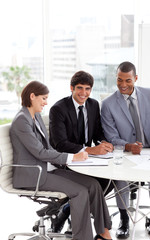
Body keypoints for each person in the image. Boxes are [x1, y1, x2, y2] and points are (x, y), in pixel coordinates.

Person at [10, 81, 112, 240]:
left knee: (93, 185)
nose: (46, 102)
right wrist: (72, 157)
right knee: (80, 192)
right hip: (33, 175)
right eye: (43, 98)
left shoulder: (35, 116)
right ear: (32, 96)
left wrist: (72, 160)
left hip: (48, 168)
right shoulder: (22, 120)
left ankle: (103, 233)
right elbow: (40, 152)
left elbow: (48, 147)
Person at [49, 70, 129, 236]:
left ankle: (65, 210)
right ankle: (99, 228)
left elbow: (97, 132)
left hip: (87, 159)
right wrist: (89, 149)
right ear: (71, 88)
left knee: (109, 178)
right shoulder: (58, 109)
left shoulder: (93, 105)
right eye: (79, 88)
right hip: (66, 161)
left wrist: (104, 143)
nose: (83, 93)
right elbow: (60, 144)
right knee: (93, 185)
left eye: (87, 89)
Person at [101, 61, 150, 238]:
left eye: (128, 80)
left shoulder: (148, 95)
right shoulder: (107, 104)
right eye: (119, 80)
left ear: (135, 78)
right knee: (120, 177)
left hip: (149, 150)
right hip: (126, 152)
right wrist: (127, 146)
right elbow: (111, 136)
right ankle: (124, 219)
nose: (123, 85)